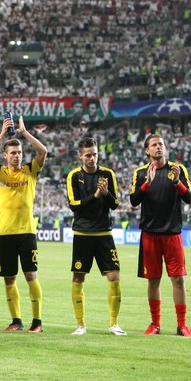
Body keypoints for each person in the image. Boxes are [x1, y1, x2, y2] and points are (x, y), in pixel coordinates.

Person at [130, 134, 191, 337]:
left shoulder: (178, 169)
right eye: (154, 145)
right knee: (153, 280)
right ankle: (155, 324)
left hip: (172, 233)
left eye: (161, 144)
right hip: (150, 235)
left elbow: (189, 198)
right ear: (147, 151)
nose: (159, 147)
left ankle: (182, 325)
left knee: (178, 279)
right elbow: (134, 200)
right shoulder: (141, 173)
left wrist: (177, 182)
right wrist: (146, 184)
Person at [0, 115, 48, 332]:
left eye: (19, 153)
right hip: (5, 233)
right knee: (9, 279)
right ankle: (16, 321)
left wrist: (24, 133)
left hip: (27, 232)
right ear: (5, 155)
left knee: (31, 275)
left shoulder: (30, 170)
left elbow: (43, 152)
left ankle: (37, 322)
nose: (17, 156)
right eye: (12, 153)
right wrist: (3, 134)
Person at [66, 137, 127, 336]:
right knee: (78, 277)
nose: (92, 158)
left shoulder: (108, 174)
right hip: (82, 233)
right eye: (88, 155)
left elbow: (115, 204)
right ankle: (81, 325)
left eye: (95, 154)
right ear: (80, 156)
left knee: (114, 276)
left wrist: (106, 193)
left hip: (104, 233)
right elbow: (74, 205)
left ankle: (114, 324)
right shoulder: (74, 176)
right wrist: (95, 196)